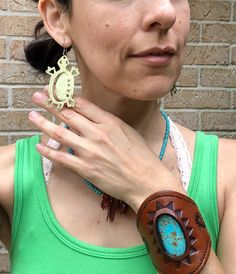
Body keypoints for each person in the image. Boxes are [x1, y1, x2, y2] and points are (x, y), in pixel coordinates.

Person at [0, 0, 235, 273]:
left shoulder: (228, 175)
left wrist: (151, 189)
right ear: (57, 18)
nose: (166, 12)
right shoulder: (10, 181)